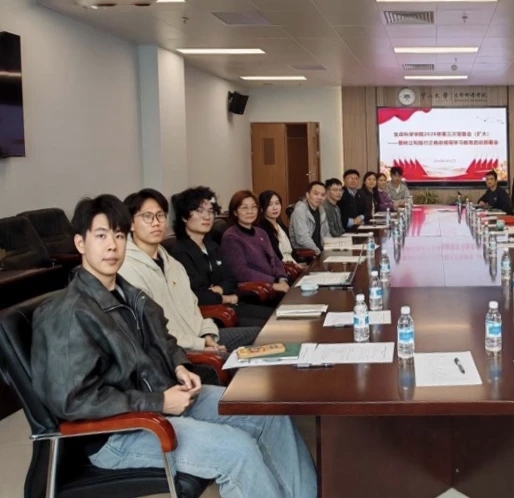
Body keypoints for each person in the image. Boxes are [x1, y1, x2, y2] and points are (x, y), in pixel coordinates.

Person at [32, 194, 318, 498]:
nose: (112, 246)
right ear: (80, 243)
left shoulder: (129, 294)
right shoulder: (67, 314)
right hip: (119, 432)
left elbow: (164, 339)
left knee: (268, 413)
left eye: (118, 235)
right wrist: (159, 403)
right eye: (101, 236)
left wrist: (180, 365)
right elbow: (74, 400)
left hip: (164, 399)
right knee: (238, 451)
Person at [119, 189, 260, 352]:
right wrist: (199, 344)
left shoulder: (173, 264)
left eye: (160, 215)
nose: (156, 222)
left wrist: (207, 334)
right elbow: (152, 332)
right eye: (147, 216)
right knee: (246, 359)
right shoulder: (127, 269)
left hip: (200, 337)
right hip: (176, 351)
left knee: (263, 336)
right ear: (130, 223)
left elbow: (194, 307)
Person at [169, 187, 274, 328]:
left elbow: (230, 280)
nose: (207, 217)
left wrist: (218, 289)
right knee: (269, 328)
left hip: (231, 306)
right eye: (199, 211)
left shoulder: (212, 246)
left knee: (277, 317)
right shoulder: (180, 253)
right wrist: (226, 297)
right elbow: (196, 295)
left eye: (210, 211)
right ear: (184, 217)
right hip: (211, 317)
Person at [220, 190, 292, 291]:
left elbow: (275, 260)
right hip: (257, 290)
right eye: (244, 208)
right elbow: (241, 272)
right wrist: (273, 284)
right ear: (235, 212)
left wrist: (282, 279)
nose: (250, 211)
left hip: (275, 284)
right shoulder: (231, 237)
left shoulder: (261, 232)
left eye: (253, 207)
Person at [257, 189, 302, 266]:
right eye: (269, 204)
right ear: (262, 208)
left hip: (294, 265)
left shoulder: (281, 226)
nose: (275, 208)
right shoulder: (262, 230)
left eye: (277, 203)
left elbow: (292, 252)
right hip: (283, 268)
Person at [290, 181, 332, 255]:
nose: (319, 197)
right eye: (316, 194)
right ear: (308, 195)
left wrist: (332, 249)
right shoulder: (300, 210)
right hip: (307, 253)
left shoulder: (321, 209)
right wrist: (319, 254)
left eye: (323, 195)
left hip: (320, 250)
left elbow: (326, 234)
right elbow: (303, 239)